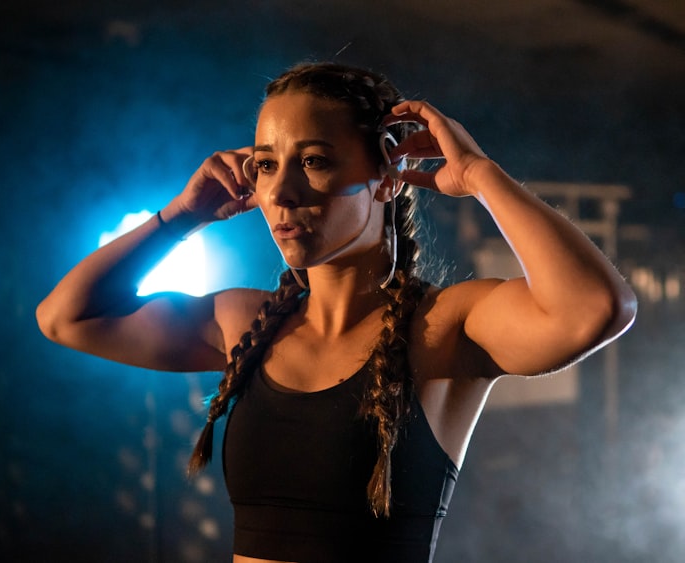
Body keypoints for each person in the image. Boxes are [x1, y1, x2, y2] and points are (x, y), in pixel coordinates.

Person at [36, 61, 637, 563]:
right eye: (266, 163)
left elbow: (594, 308)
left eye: (314, 160)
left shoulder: (446, 327)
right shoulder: (245, 324)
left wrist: (479, 176)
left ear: (387, 174)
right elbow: (67, 317)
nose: (280, 192)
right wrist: (182, 214)